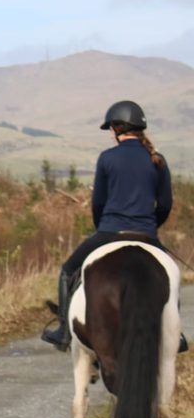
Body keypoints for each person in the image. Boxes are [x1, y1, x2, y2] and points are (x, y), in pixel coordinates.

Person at [41, 101, 187, 353]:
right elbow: (165, 204)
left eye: (111, 128)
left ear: (118, 129)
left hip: (109, 231)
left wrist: (104, 228)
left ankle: (64, 331)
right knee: (171, 275)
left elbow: (98, 202)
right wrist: (150, 228)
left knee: (67, 271)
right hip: (146, 234)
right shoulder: (157, 160)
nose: (110, 133)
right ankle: (177, 334)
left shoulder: (107, 158)